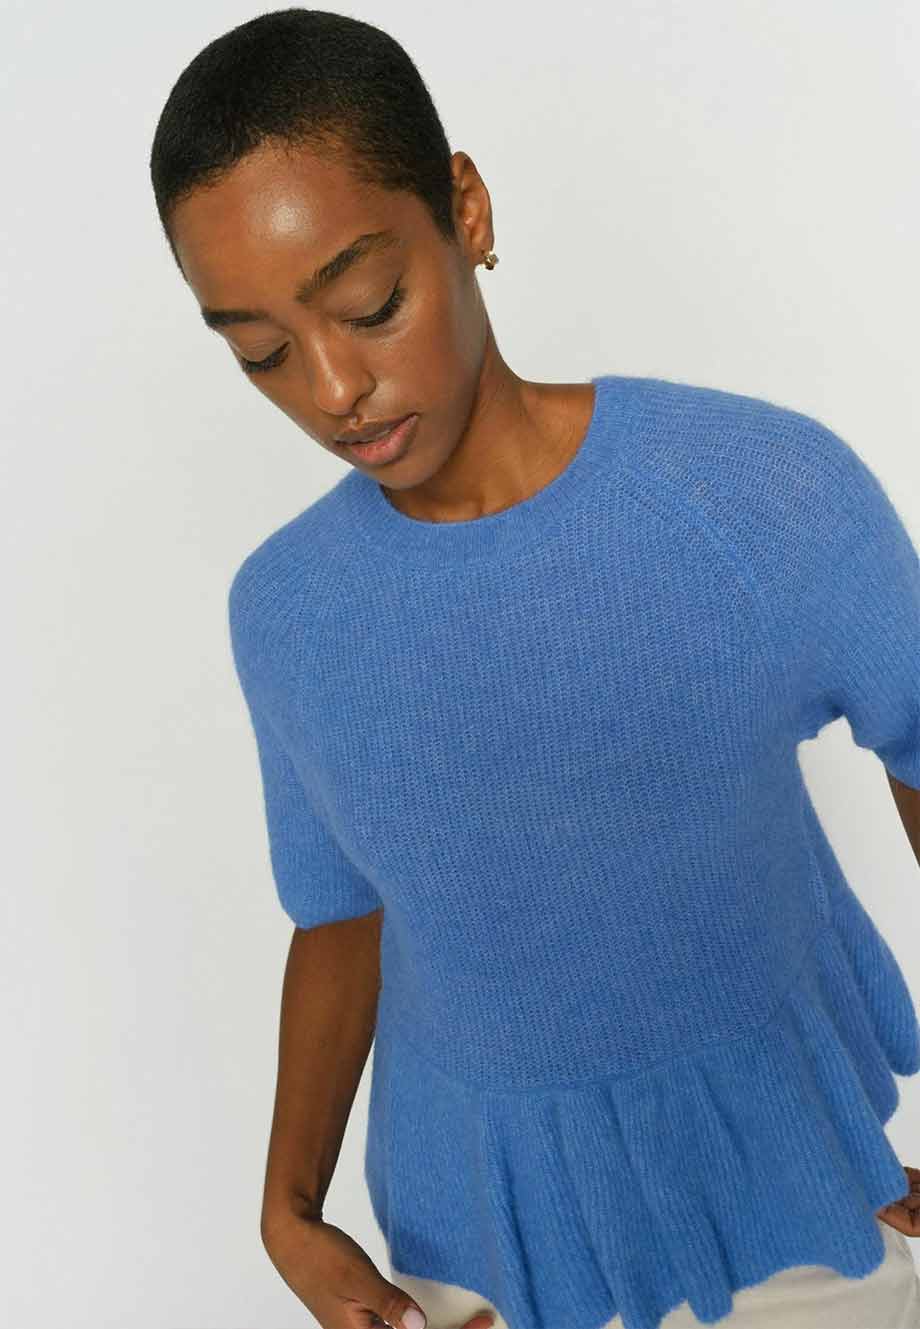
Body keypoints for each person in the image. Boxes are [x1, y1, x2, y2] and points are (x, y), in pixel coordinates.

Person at [149, 10, 920, 1329]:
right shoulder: (286, 611)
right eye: (261, 352)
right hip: (483, 1261)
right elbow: (339, 912)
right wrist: (287, 1208)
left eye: (367, 306)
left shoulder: (757, 495)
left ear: (465, 208)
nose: (331, 387)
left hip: (798, 1223)